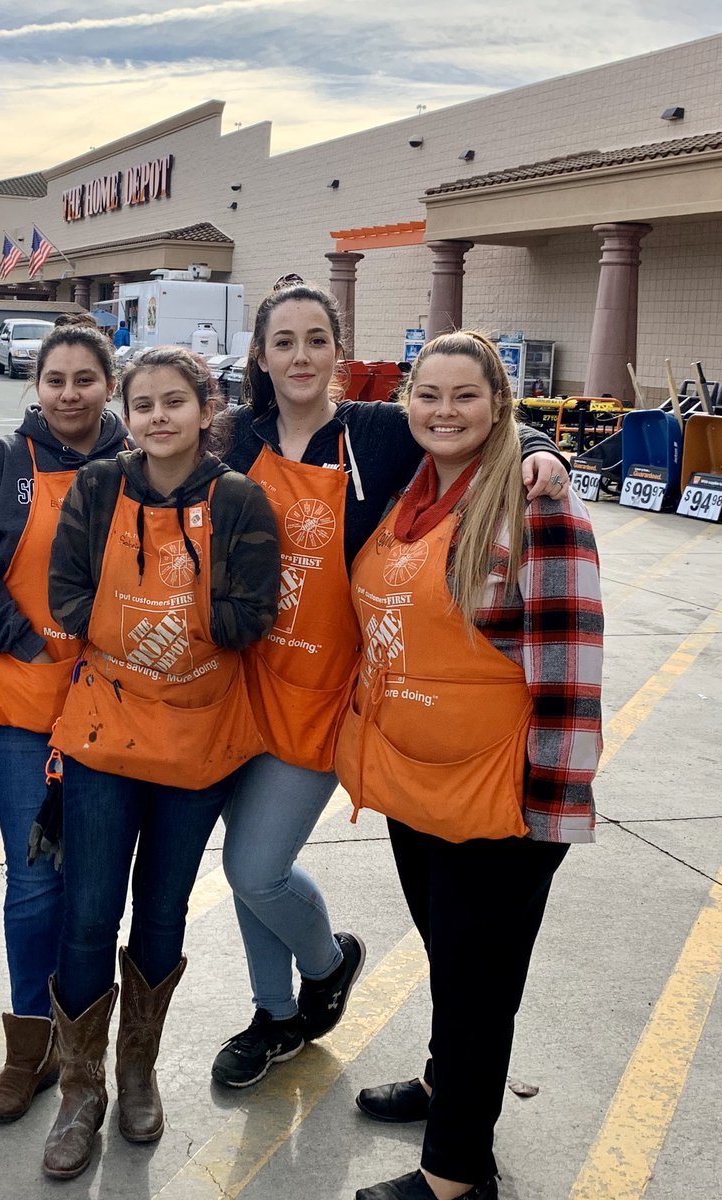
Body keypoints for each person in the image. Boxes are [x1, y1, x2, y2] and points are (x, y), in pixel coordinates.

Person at [210, 278, 571, 1090]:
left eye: (315, 340)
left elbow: (476, 423)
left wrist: (545, 448)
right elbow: (141, 450)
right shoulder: (232, 439)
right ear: (260, 358)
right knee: (244, 863)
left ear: (339, 352)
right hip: (236, 689)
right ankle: (274, 1015)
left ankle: (327, 966)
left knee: (255, 867)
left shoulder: (376, 434)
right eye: (283, 342)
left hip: (330, 694)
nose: (300, 356)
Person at [335, 331, 602, 1200]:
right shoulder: (413, 494)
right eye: (428, 395)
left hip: (503, 799)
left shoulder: (536, 509)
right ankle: (449, 1086)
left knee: (478, 980)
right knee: (456, 960)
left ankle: (456, 1175)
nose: (444, 412)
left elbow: (569, 672)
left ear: (500, 407)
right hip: (421, 785)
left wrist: (548, 808)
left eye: (465, 396)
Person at [40, 347, 279, 1179]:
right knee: (88, 909)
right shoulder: (99, 487)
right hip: (106, 731)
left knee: (163, 910)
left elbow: (254, 616)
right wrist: (130, 633)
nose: (158, 418)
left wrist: (185, 622)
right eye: (143, 405)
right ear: (127, 413)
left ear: (205, 407)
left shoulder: (241, 499)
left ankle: (137, 1069)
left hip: (200, 739)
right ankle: (81, 1089)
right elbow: (64, 590)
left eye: (175, 402)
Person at [0, 322, 129, 1123]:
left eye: (84, 379)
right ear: (35, 384)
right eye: (55, 379)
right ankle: (30, 1048)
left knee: (91, 888)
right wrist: (28, 647)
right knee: (32, 878)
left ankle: (84, 1046)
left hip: (117, 711)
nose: (68, 393)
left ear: (108, 386)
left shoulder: (140, 468)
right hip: (20, 706)